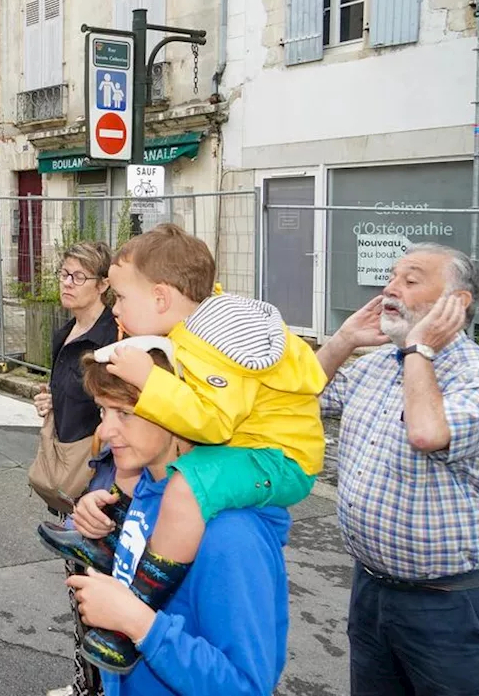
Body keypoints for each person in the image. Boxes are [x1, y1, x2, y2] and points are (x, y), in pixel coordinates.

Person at [39, 223, 325, 671]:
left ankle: (137, 603)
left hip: (278, 457)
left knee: (188, 487)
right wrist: (115, 501)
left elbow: (211, 422)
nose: (115, 308)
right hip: (247, 449)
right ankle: (113, 537)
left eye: (121, 298)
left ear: (160, 298)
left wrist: (148, 378)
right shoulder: (193, 332)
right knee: (174, 485)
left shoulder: (216, 341)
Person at [314, 244, 479, 696]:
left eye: (410, 280)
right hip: (372, 589)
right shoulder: (378, 363)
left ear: (456, 304)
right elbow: (300, 399)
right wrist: (342, 342)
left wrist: (420, 349)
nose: (390, 288)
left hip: (452, 605)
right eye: (392, 276)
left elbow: (426, 433)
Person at [66, 339, 290, 695]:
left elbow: (246, 687)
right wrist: (104, 523)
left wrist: (139, 624)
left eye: (124, 413)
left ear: (175, 410)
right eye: (102, 412)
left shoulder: (231, 534)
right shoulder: (147, 488)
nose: (106, 432)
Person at [33, 242, 119, 696]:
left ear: (104, 284)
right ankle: (84, 682)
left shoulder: (111, 341)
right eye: (64, 274)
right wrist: (49, 400)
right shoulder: (63, 331)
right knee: (78, 587)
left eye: (78, 277)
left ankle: (99, 687)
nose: (67, 283)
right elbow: (65, 393)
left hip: (99, 481)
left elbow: (117, 410)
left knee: (96, 589)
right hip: (68, 472)